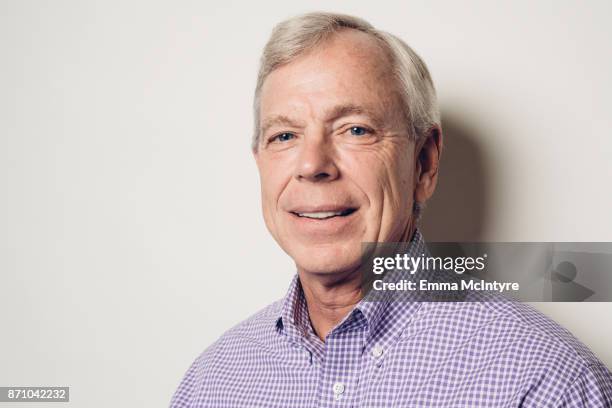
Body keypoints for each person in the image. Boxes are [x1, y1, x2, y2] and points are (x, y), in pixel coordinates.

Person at [171, 12, 612, 407]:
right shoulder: (210, 383)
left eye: (355, 129)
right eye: (284, 136)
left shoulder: (547, 382)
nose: (312, 166)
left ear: (424, 163)